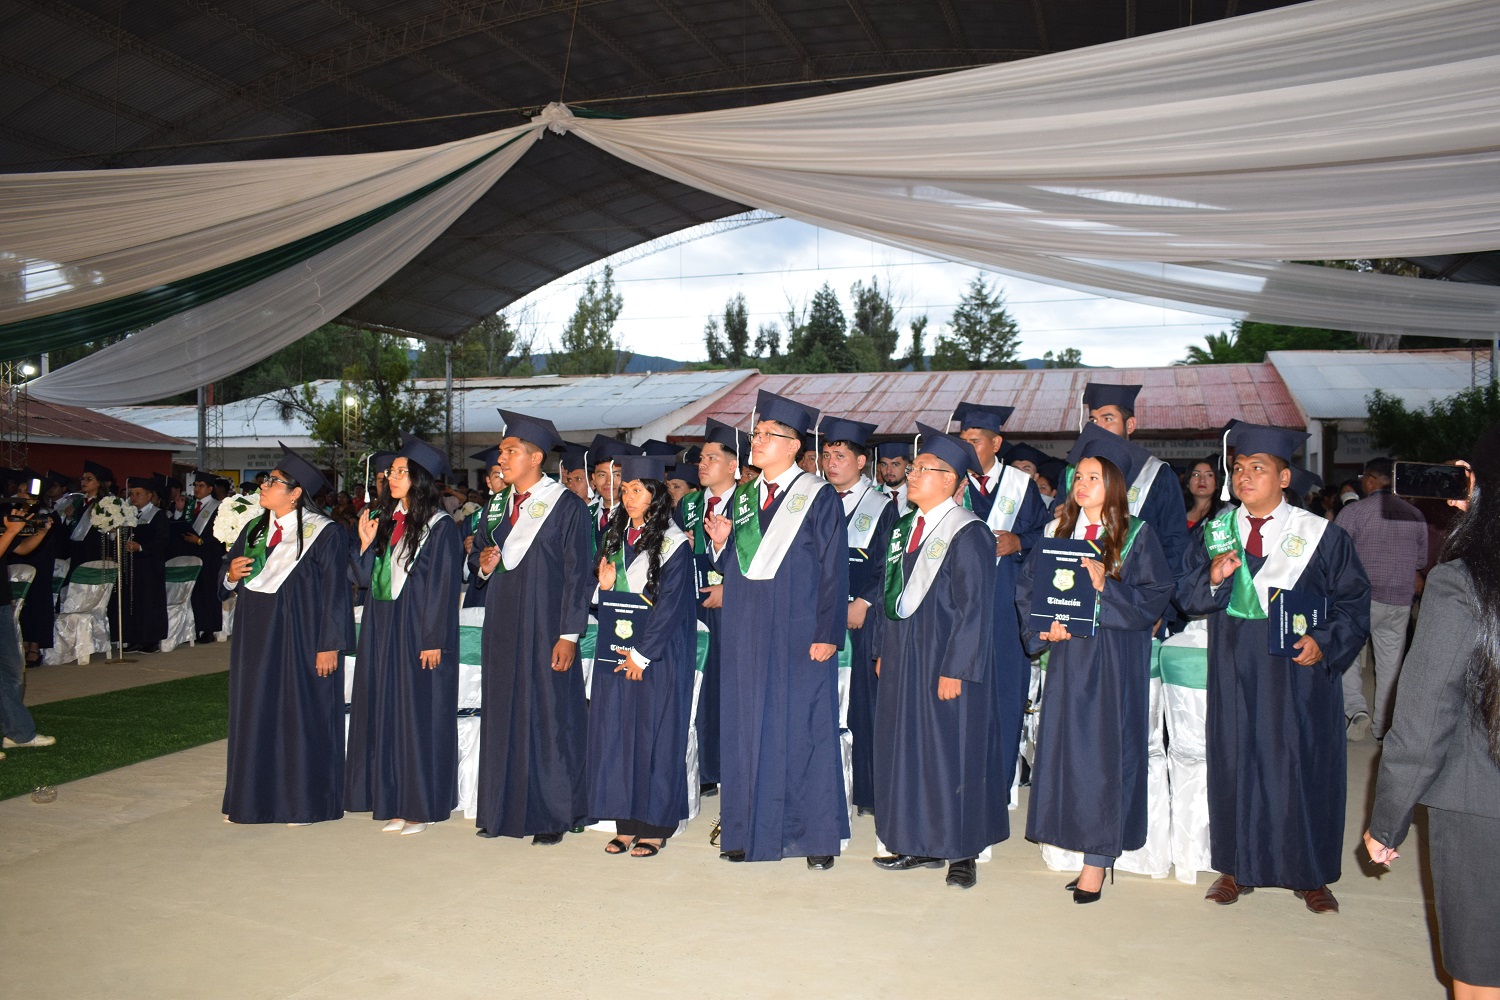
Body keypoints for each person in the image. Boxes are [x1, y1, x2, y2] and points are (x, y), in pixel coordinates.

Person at [1178, 423, 1370, 913]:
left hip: (1298, 677)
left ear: (1284, 478)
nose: (1244, 476)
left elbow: (1353, 603)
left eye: (1258, 468)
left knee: (1301, 766)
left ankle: (1310, 873)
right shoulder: (1216, 532)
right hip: (1234, 670)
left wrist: (1324, 642)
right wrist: (1213, 576)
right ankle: (1236, 867)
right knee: (1236, 763)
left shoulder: (1322, 536)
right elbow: (1186, 594)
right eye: (1239, 468)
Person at [1364, 428, 1500, 999]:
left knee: (1481, 974)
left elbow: (1422, 723)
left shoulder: (1464, 582)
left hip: (1480, 807)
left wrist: (1386, 822)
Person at [1016, 426, 1175, 903]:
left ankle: (1098, 861)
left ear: (1115, 485)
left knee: (1106, 757)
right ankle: (1074, 840)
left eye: (1093, 478)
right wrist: (1043, 629)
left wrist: (1108, 588)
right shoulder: (1056, 533)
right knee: (1069, 753)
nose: (1081, 485)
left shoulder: (1136, 535)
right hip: (1067, 659)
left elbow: (1154, 597)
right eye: (1078, 477)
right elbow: (1029, 592)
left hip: (1112, 661)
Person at [703, 389, 849, 869]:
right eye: (756, 433)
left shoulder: (818, 496)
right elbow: (739, 564)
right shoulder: (743, 497)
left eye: (768, 434)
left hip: (799, 629)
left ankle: (814, 837)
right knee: (746, 726)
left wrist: (828, 632)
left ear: (793, 446)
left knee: (803, 728)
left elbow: (834, 570)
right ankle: (747, 831)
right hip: (745, 627)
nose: (758, 440)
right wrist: (721, 545)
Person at [871, 425, 1007, 889]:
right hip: (904, 656)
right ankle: (916, 840)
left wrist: (957, 668)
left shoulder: (969, 533)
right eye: (913, 468)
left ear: (950, 480)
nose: (912, 475)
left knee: (953, 750)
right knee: (908, 748)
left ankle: (962, 851)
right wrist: (882, 649)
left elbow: (975, 609)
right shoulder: (904, 528)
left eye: (923, 469)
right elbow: (887, 595)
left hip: (945, 658)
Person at [469, 410, 593, 843]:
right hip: (502, 623)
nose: (501, 458)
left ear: (536, 457)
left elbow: (579, 575)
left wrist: (569, 635)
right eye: (501, 451)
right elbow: (479, 556)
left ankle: (551, 815)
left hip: (546, 626)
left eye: (510, 451)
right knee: (502, 712)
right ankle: (499, 812)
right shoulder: (496, 505)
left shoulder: (566, 506)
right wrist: (483, 566)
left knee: (548, 715)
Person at [220, 447, 354, 825]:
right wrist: (229, 575)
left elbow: (336, 594)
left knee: (299, 715)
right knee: (255, 713)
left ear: (295, 493)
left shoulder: (324, 533)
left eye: (273, 481)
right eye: (266, 479)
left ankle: (303, 803)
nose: (263, 485)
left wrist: (330, 644)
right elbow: (226, 575)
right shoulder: (254, 528)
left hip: (302, 639)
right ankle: (252, 801)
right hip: (254, 639)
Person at [345, 435, 463, 836]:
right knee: (387, 712)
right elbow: (364, 579)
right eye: (390, 472)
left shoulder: (439, 527)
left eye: (400, 472)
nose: (390, 477)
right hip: (382, 626)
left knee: (417, 715)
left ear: (420, 478)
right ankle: (394, 800)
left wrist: (433, 638)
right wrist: (364, 544)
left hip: (418, 629)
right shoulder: (385, 519)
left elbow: (443, 589)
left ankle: (422, 806)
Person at [587, 455, 698, 858]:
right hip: (617, 649)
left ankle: (655, 826)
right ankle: (626, 824)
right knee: (618, 735)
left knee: (656, 736)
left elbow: (671, 607)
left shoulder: (674, 543)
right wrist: (603, 587)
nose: (628, 496)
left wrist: (643, 655)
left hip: (659, 655)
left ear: (656, 495)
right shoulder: (614, 536)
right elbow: (602, 600)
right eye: (625, 490)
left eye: (637, 489)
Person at [951, 400, 1050, 799]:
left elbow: (1047, 534)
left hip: (1008, 608)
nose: (966, 447)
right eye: (962, 440)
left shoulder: (1020, 486)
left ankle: (1000, 786)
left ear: (996, 443)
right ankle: (959, 785)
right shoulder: (950, 482)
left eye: (974, 440)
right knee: (960, 695)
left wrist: (1019, 541)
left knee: (1006, 695)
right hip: (960, 607)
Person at [818, 415, 896, 818]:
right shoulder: (814, 500)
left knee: (862, 704)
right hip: (818, 616)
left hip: (863, 619)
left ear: (861, 462)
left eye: (841, 456)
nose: (831, 464)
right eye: (826, 455)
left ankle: (865, 788)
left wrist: (864, 603)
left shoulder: (883, 507)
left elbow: (889, 565)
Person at [1335, 457, 1427, 742]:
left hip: (1360, 599)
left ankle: (1356, 711)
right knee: (1390, 665)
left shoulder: (1355, 512)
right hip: (1399, 600)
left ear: (1371, 480)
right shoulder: (1415, 514)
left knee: (1347, 655)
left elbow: (1335, 553)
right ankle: (1383, 726)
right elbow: (1421, 560)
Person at [689, 417, 749, 797]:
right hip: (696, 606)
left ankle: (735, 766)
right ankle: (706, 767)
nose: (703, 464)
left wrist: (732, 589)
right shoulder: (689, 505)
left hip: (735, 609)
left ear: (732, 465)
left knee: (733, 687)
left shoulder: (750, 504)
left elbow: (761, 560)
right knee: (702, 687)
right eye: (701, 458)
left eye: (712, 457)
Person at [1, 497, 58, 758]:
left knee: (11, 671)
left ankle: (18, 733)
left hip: (1, 605)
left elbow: (21, 549)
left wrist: (41, 531)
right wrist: (11, 531)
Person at [119, 476, 169, 654]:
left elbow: (163, 541)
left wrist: (141, 547)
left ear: (149, 495)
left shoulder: (157, 515)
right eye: (131, 494)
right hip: (132, 565)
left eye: (138, 493)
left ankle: (151, 640)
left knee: (149, 602)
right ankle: (134, 638)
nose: (134, 497)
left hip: (150, 566)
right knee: (133, 601)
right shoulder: (129, 514)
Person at [178, 473, 225, 643]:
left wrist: (200, 541)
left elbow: (221, 534)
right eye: (196, 485)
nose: (197, 489)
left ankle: (209, 629)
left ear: (210, 488)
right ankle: (196, 627)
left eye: (201, 486)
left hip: (210, 554)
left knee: (208, 592)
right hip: (192, 553)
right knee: (195, 592)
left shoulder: (218, 507)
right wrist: (179, 512)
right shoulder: (190, 506)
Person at [461, 447, 508, 609]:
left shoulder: (524, 515)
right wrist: (470, 554)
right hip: (479, 600)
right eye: (497, 476)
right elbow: (462, 576)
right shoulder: (472, 521)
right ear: (488, 482)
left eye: (506, 473)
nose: (504, 481)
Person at [1184, 457, 1226, 531]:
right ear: (1188, 483)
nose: (1202, 480)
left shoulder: (1227, 514)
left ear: (1217, 483)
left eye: (1209, 475)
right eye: (1196, 474)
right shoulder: (1177, 511)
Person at [873, 441, 912, 513]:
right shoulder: (871, 496)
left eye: (895, 465)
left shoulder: (918, 497)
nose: (888, 471)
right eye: (884, 465)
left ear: (908, 468)